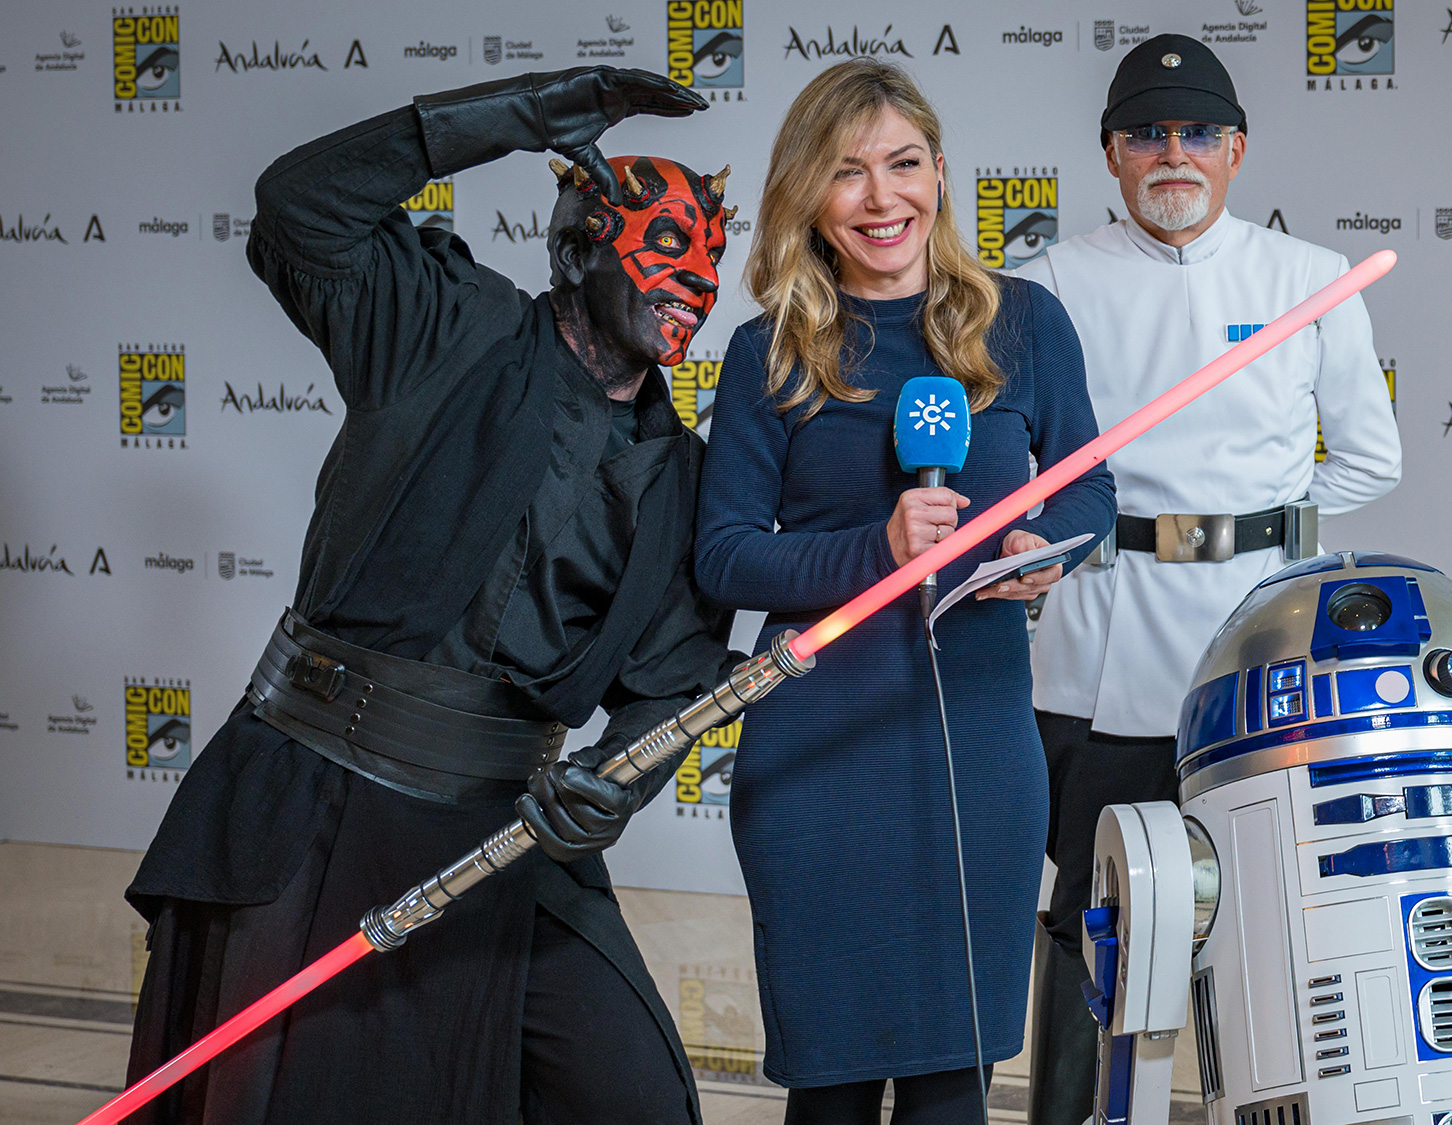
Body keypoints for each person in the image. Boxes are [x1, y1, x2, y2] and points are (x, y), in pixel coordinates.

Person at [122, 68, 741, 1124]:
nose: (696, 279)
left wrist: (616, 786)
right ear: (581, 244)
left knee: (632, 1096)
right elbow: (299, 206)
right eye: (667, 245)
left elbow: (672, 685)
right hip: (319, 795)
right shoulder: (443, 326)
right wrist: (517, 118)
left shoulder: (682, 475)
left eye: (712, 256)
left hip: (506, 828)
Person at [694, 59, 1116, 1124]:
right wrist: (876, 550)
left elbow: (1091, 485)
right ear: (807, 198)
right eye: (846, 174)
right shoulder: (767, 352)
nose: (882, 200)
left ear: (939, 173)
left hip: (975, 740)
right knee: (830, 1097)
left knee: (950, 1089)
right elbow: (726, 555)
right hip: (819, 749)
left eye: (902, 164)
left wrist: (1044, 546)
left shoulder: (1021, 324)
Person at [1009, 33, 1404, 1123]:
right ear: (1108, 156)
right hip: (1100, 645)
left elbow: (1372, 456)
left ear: (1234, 150)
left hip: (1255, 656)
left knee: (1269, 912)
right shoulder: (1041, 288)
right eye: (1143, 133)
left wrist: (1263, 534)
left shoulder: (1309, 281)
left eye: (1193, 133)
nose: (1169, 153)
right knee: (1089, 911)